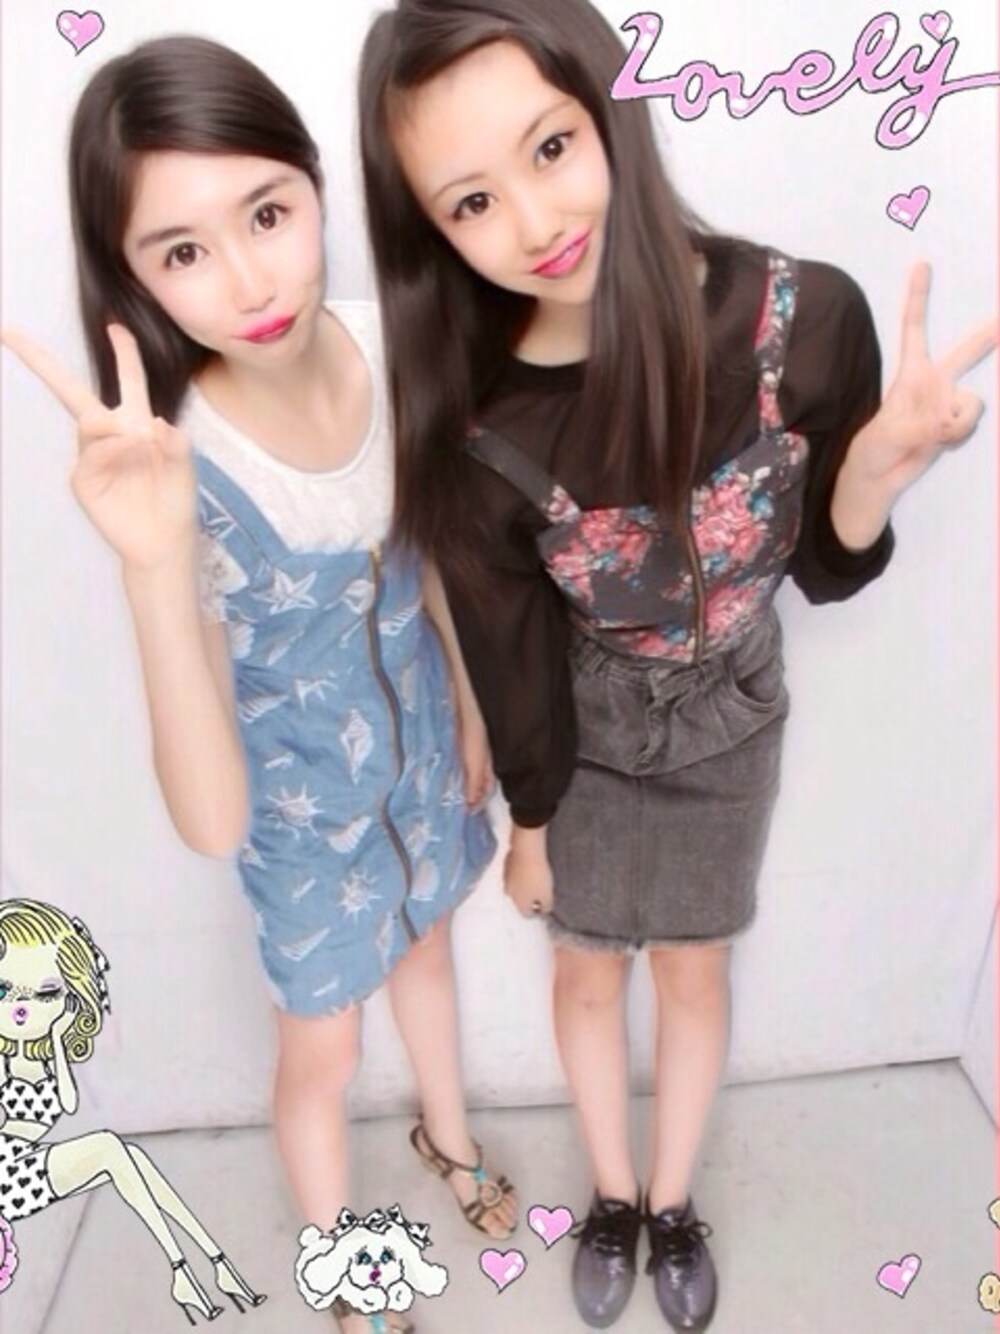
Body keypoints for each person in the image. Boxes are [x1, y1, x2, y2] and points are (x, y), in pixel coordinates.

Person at [356, 1, 996, 1329]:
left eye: (550, 146)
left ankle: (672, 1197)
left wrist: (877, 470)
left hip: (733, 711)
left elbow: (825, 566)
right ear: (434, 233)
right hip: (584, 729)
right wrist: (531, 823)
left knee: (694, 967)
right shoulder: (480, 426)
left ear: (611, 106)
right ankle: (611, 1193)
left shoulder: (802, 318)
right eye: (471, 202)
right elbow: (508, 643)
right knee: (587, 969)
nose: (534, 221)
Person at [3, 35, 516, 1333]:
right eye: (181, 251)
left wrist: (467, 704)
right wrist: (151, 561)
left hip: (422, 764)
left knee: (433, 950)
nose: (247, 281)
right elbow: (213, 821)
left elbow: (432, 554)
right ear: (129, 277)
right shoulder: (178, 464)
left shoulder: (386, 347)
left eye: (268, 215)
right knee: (323, 1049)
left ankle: (450, 1141)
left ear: (317, 188)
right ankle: (344, 1261)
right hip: (301, 820)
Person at [0, 897, 263, 1322]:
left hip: (26, 1162)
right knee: (110, 1150)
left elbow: (66, 1102)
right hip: (7, 1172)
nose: (21, 1007)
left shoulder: (44, 1055)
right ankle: (186, 1267)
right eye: (4, 991)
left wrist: (57, 1040)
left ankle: (211, 1261)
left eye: (46, 993)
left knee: (132, 1158)